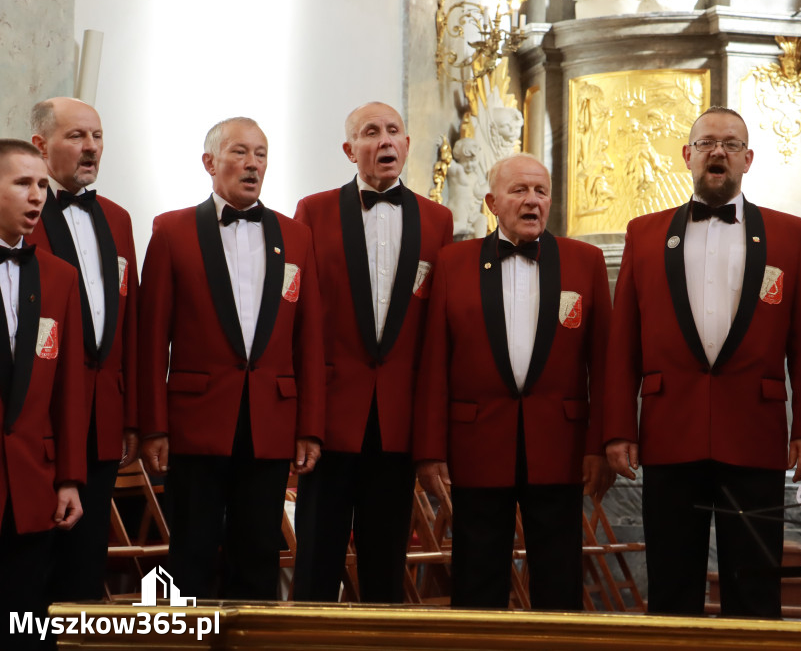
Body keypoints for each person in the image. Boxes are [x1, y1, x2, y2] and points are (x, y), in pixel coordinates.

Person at [603, 106, 801, 617]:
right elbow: (623, 345)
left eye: (730, 144)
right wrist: (619, 428)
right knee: (672, 584)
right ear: (687, 155)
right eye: (706, 143)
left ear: (748, 158)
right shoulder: (643, 233)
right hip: (668, 431)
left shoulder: (792, 236)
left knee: (754, 587)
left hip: (754, 431)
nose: (717, 152)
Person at [414, 153, 615, 610]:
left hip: (561, 446)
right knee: (477, 576)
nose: (532, 201)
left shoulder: (586, 261)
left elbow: (603, 363)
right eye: (519, 191)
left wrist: (598, 444)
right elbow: (433, 365)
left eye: (541, 191)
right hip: (475, 442)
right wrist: (429, 451)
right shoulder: (453, 262)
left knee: (560, 578)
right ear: (491, 202)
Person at [138, 117, 325, 600]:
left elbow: (309, 339)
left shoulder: (297, 237)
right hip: (195, 420)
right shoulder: (172, 230)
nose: (252, 163)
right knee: (192, 556)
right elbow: (151, 336)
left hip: (270, 420)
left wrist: (309, 427)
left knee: (259, 553)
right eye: (240, 152)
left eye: (260, 154)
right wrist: (154, 425)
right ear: (210, 163)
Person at [291, 102, 453, 603]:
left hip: (398, 423)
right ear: (350, 150)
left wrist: (430, 441)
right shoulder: (313, 212)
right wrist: (307, 424)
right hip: (332, 419)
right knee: (317, 559)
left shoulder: (438, 219)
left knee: (386, 565)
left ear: (406, 144)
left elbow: (436, 339)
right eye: (370, 132)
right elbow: (302, 326)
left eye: (393, 131)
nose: (384, 140)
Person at [27, 97, 138, 603]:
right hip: (39, 419)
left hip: (102, 419)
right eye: (76, 136)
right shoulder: (22, 214)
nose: (90, 147)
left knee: (85, 563)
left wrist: (133, 417)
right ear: (40, 145)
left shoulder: (117, 218)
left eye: (96, 136)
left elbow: (129, 325)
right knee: (32, 563)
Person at [0, 140, 87, 649]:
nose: (37, 197)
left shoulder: (59, 277)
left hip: (33, 483)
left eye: (41, 185)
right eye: (21, 184)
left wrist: (71, 477)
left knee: (25, 624)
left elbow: (69, 391)